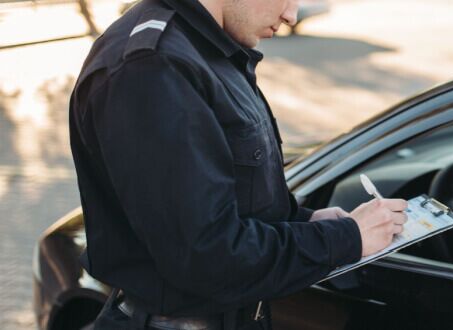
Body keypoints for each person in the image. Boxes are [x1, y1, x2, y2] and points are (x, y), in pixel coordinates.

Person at [68, 0, 407, 328]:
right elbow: (207, 258)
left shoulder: (205, 46)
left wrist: (306, 222)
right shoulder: (154, 68)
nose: (291, 14)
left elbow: (229, 204)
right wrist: (345, 239)